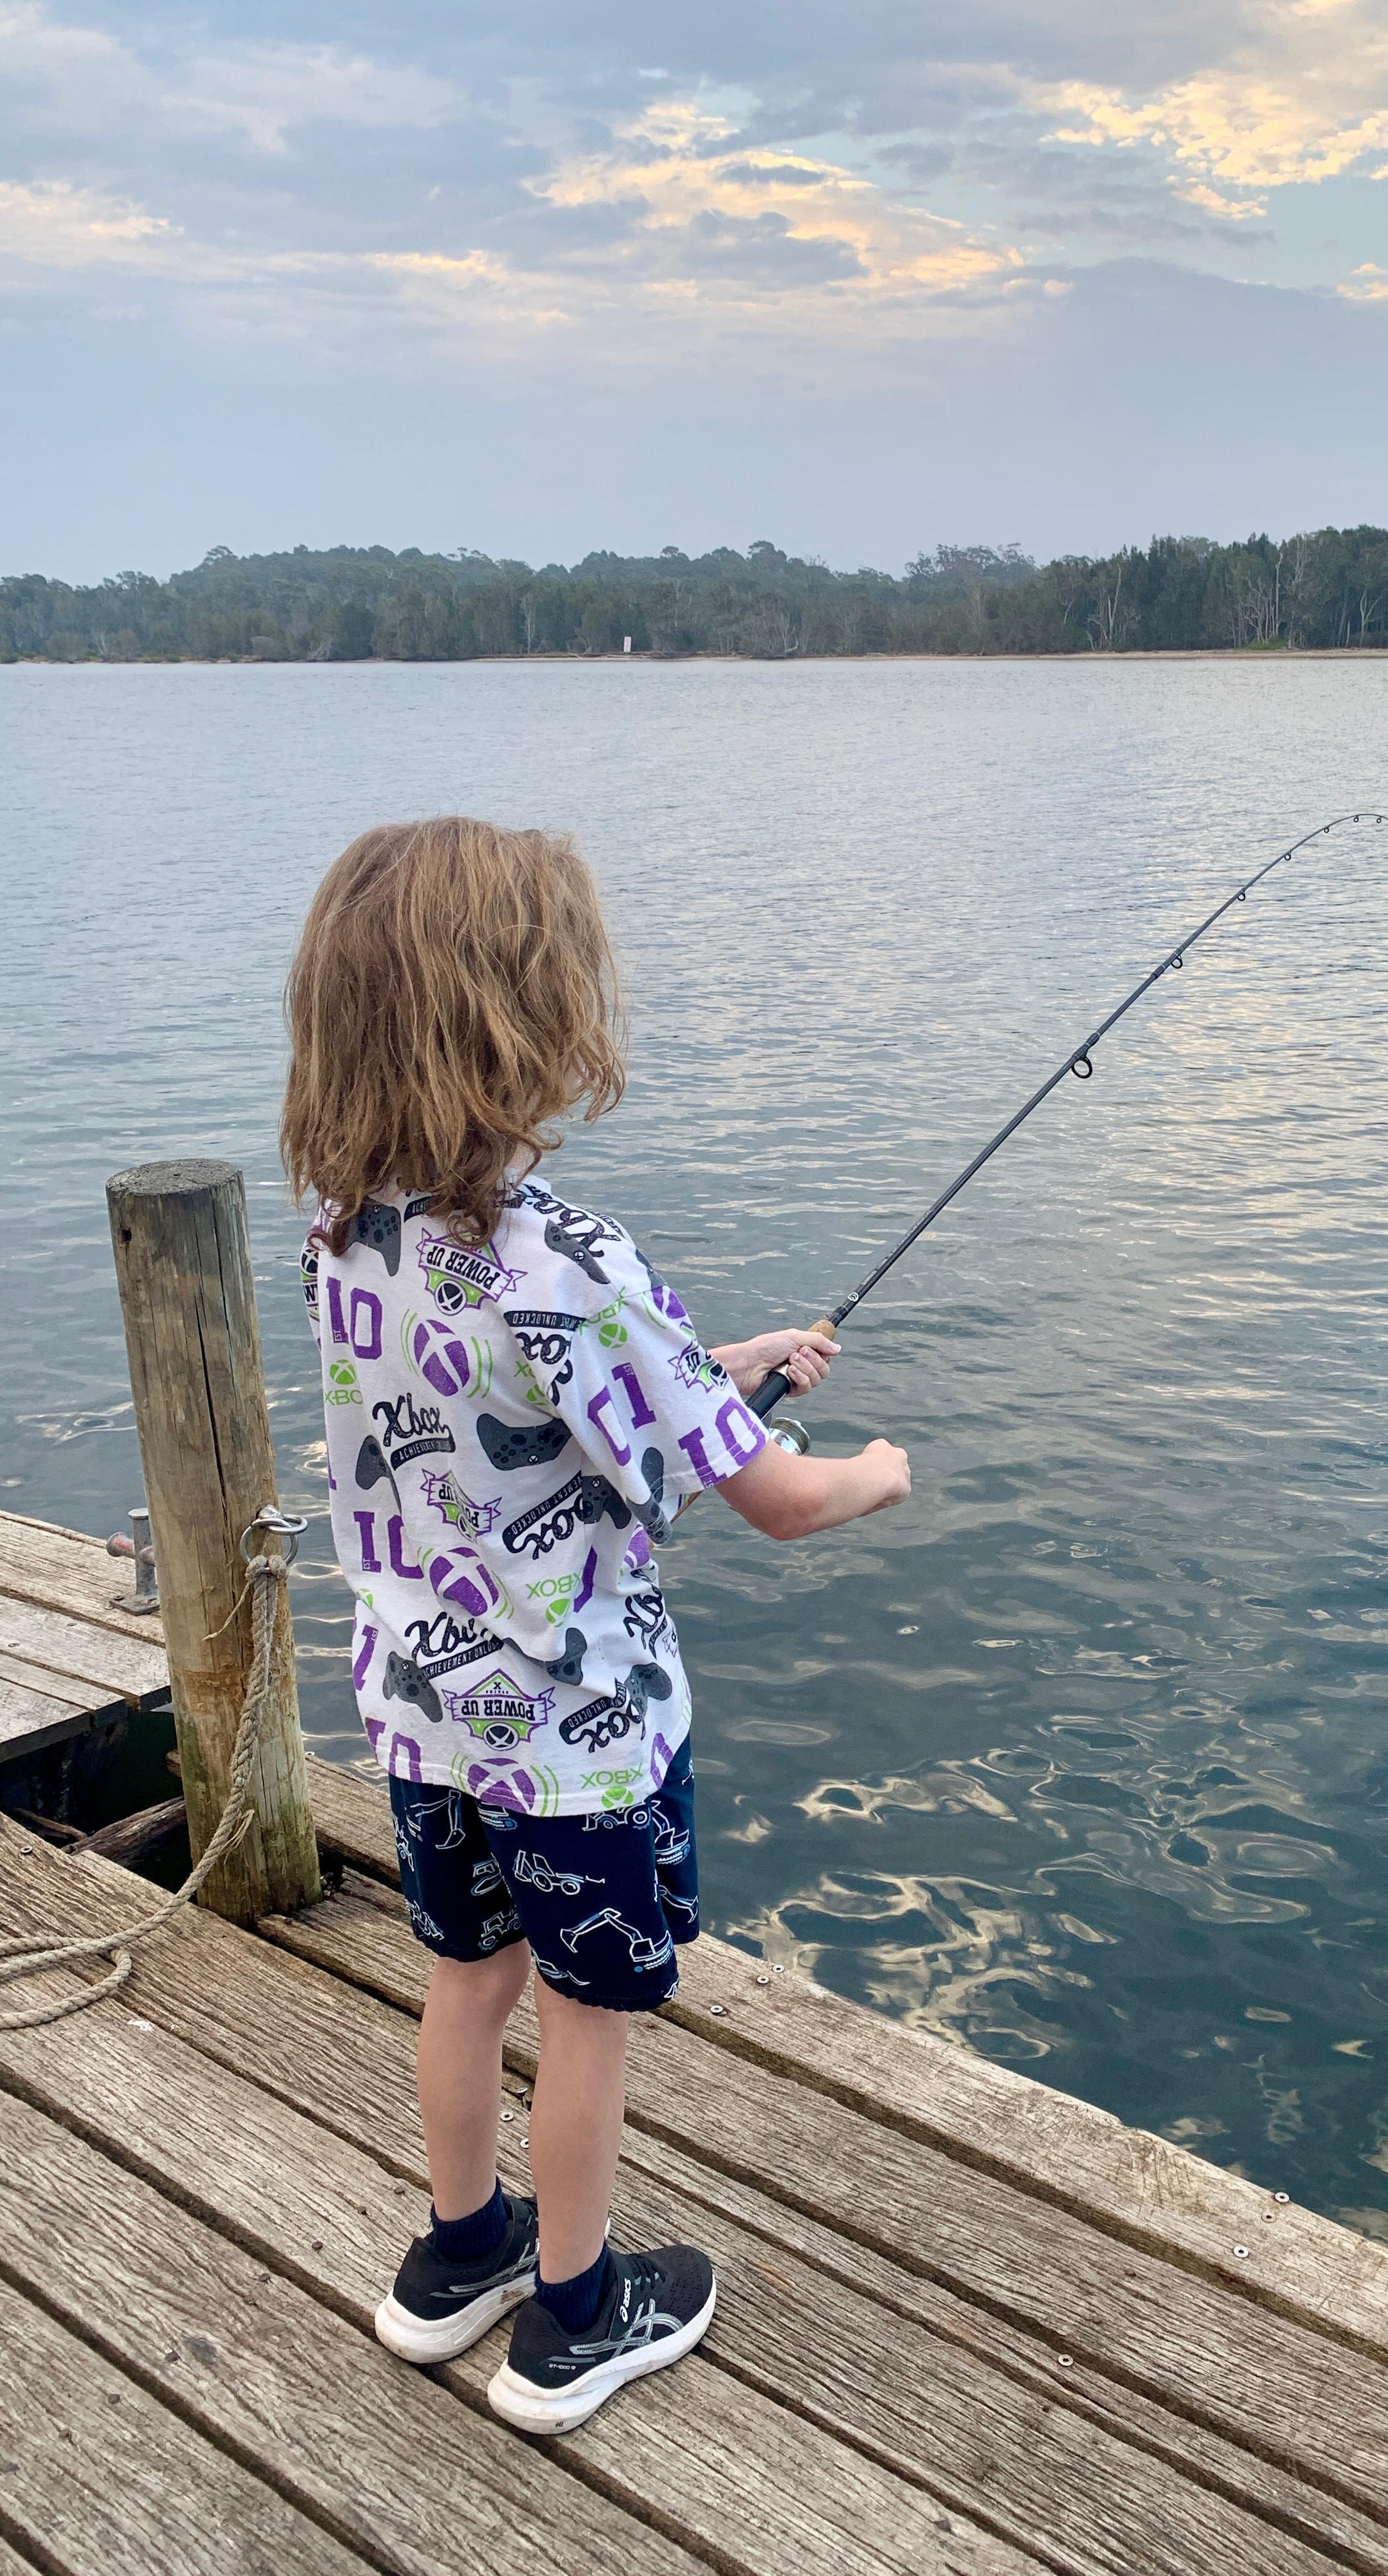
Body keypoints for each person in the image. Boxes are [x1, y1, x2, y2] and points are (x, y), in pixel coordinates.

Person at [280, 815, 911, 2435]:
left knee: (464, 1979)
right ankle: (574, 2314)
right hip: (576, 1746)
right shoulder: (576, 1259)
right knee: (585, 2019)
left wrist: (720, 1373)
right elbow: (768, 1501)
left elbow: (510, 1438)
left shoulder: (345, 1237)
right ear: (533, 1017)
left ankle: (456, 2259)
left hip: (422, 1715)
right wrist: (868, 1473)